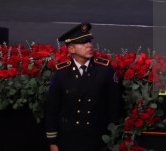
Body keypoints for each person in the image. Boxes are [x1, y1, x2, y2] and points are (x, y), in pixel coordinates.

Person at [44, 23, 122, 151]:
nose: (89, 45)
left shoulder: (105, 70)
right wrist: (52, 142)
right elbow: (52, 109)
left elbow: (114, 106)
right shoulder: (61, 73)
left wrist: (113, 138)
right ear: (71, 50)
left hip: (98, 138)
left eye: (89, 41)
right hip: (70, 139)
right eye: (82, 42)